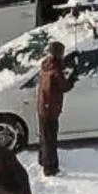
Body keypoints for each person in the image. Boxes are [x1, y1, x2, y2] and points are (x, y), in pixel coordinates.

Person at [33, 41, 78, 177]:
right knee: (50, 139)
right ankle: (50, 168)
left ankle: (43, 160)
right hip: (51, 109)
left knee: (44, 136)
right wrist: (73, 77)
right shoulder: (56, 70)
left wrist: (67, 60)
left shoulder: (46, 64)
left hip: (43, 106)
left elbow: (57, 66)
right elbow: (64, 86)